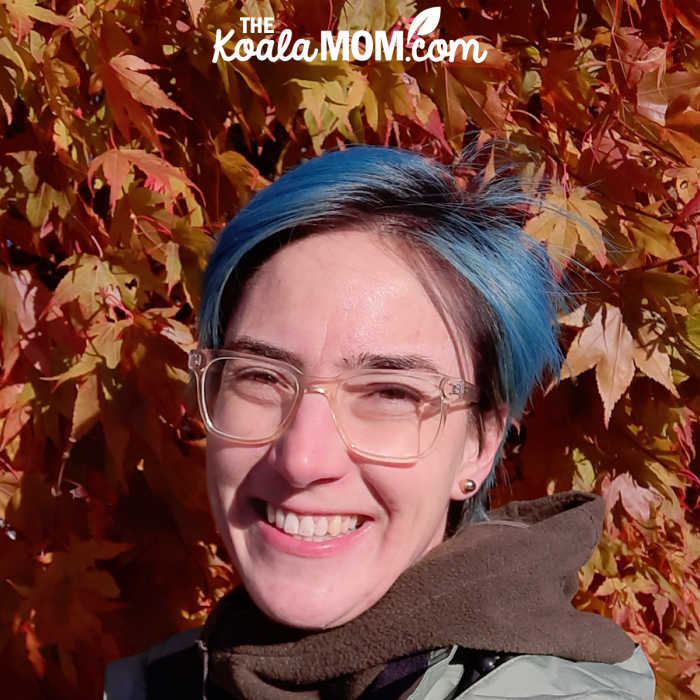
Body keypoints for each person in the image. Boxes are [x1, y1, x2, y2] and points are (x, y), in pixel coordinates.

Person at [103, 146, 656, 699]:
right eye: (262, 377)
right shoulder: (162, 681)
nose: (301, 459)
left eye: (391, 392)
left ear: (479, 445)